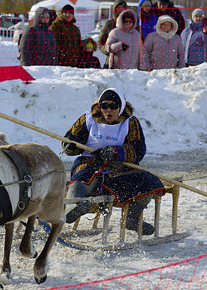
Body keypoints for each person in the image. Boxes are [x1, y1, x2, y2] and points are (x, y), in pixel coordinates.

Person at [62, 88, 165, 235]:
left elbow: (138, 150)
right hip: (90, 162)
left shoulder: (130, 122)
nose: (108, 110)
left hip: (118, 167)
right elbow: (70, 140)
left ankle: (132, 219)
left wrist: (116, 152)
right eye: (104, 106)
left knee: (147, 180)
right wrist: (70, 145)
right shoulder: (88, 119)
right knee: (83, 175)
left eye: (113, 107)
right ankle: (74, 206)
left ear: (121, 107)